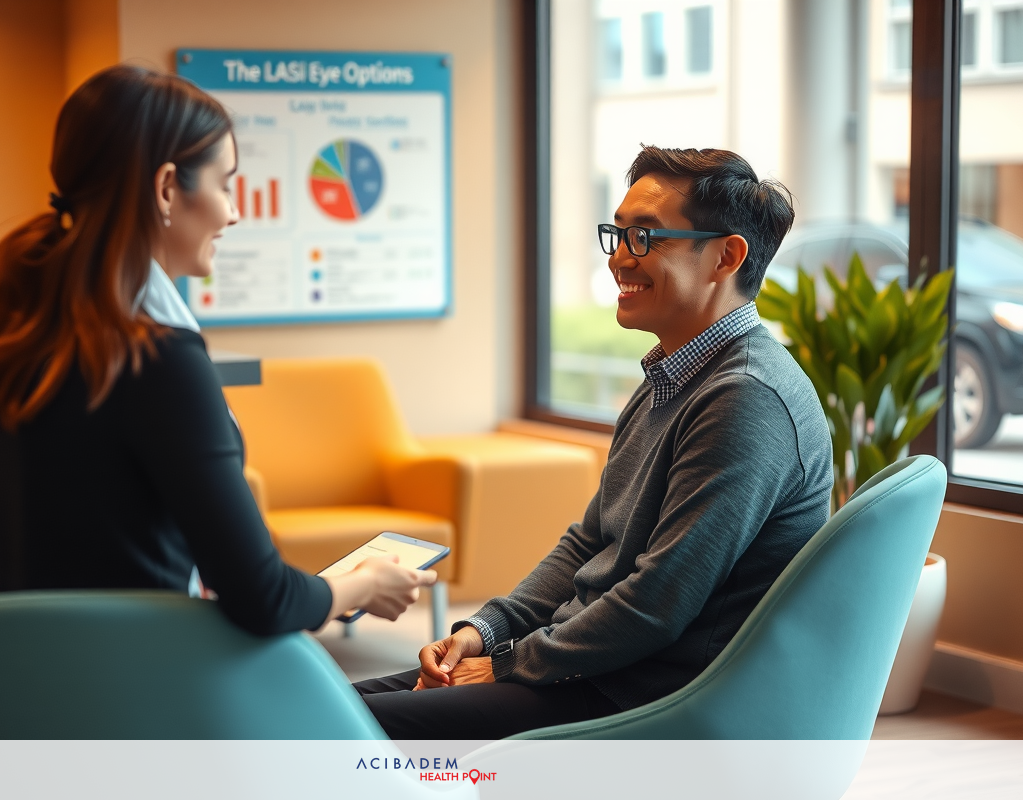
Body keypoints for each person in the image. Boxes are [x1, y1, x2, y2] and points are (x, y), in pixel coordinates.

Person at [355, 146, 833, 739]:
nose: (619, 258)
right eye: (619, 233)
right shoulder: (671, 375)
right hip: (586, 669)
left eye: (645, 237)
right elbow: (590, 543)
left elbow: (656, 604)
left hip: (645, 697)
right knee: (314, 706)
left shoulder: (746, 398)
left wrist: (504, 665)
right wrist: (485, 631)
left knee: (320, 729)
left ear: (726, 256)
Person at [0, 65, 435, 636]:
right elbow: (265, 600)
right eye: (224, 184)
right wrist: (363, 584)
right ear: (167, 188)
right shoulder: (159, 360)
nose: (233, 212)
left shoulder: (8, 337)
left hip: (24, 670)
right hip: (143, 674)